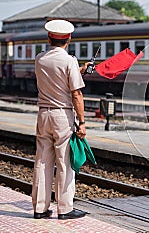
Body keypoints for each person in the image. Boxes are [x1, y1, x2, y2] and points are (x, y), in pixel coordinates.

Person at [32, 19, 87, 220]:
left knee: (42, 162)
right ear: (69, 39)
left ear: (49, 38)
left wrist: (78, 70)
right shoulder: (69, 61)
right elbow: (76, 94)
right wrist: (82, 122)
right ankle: (65, 209)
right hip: (62, 115)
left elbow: (54, 77)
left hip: (43, 114)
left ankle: (40, 208)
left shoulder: (40, 59)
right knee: (64, 162)